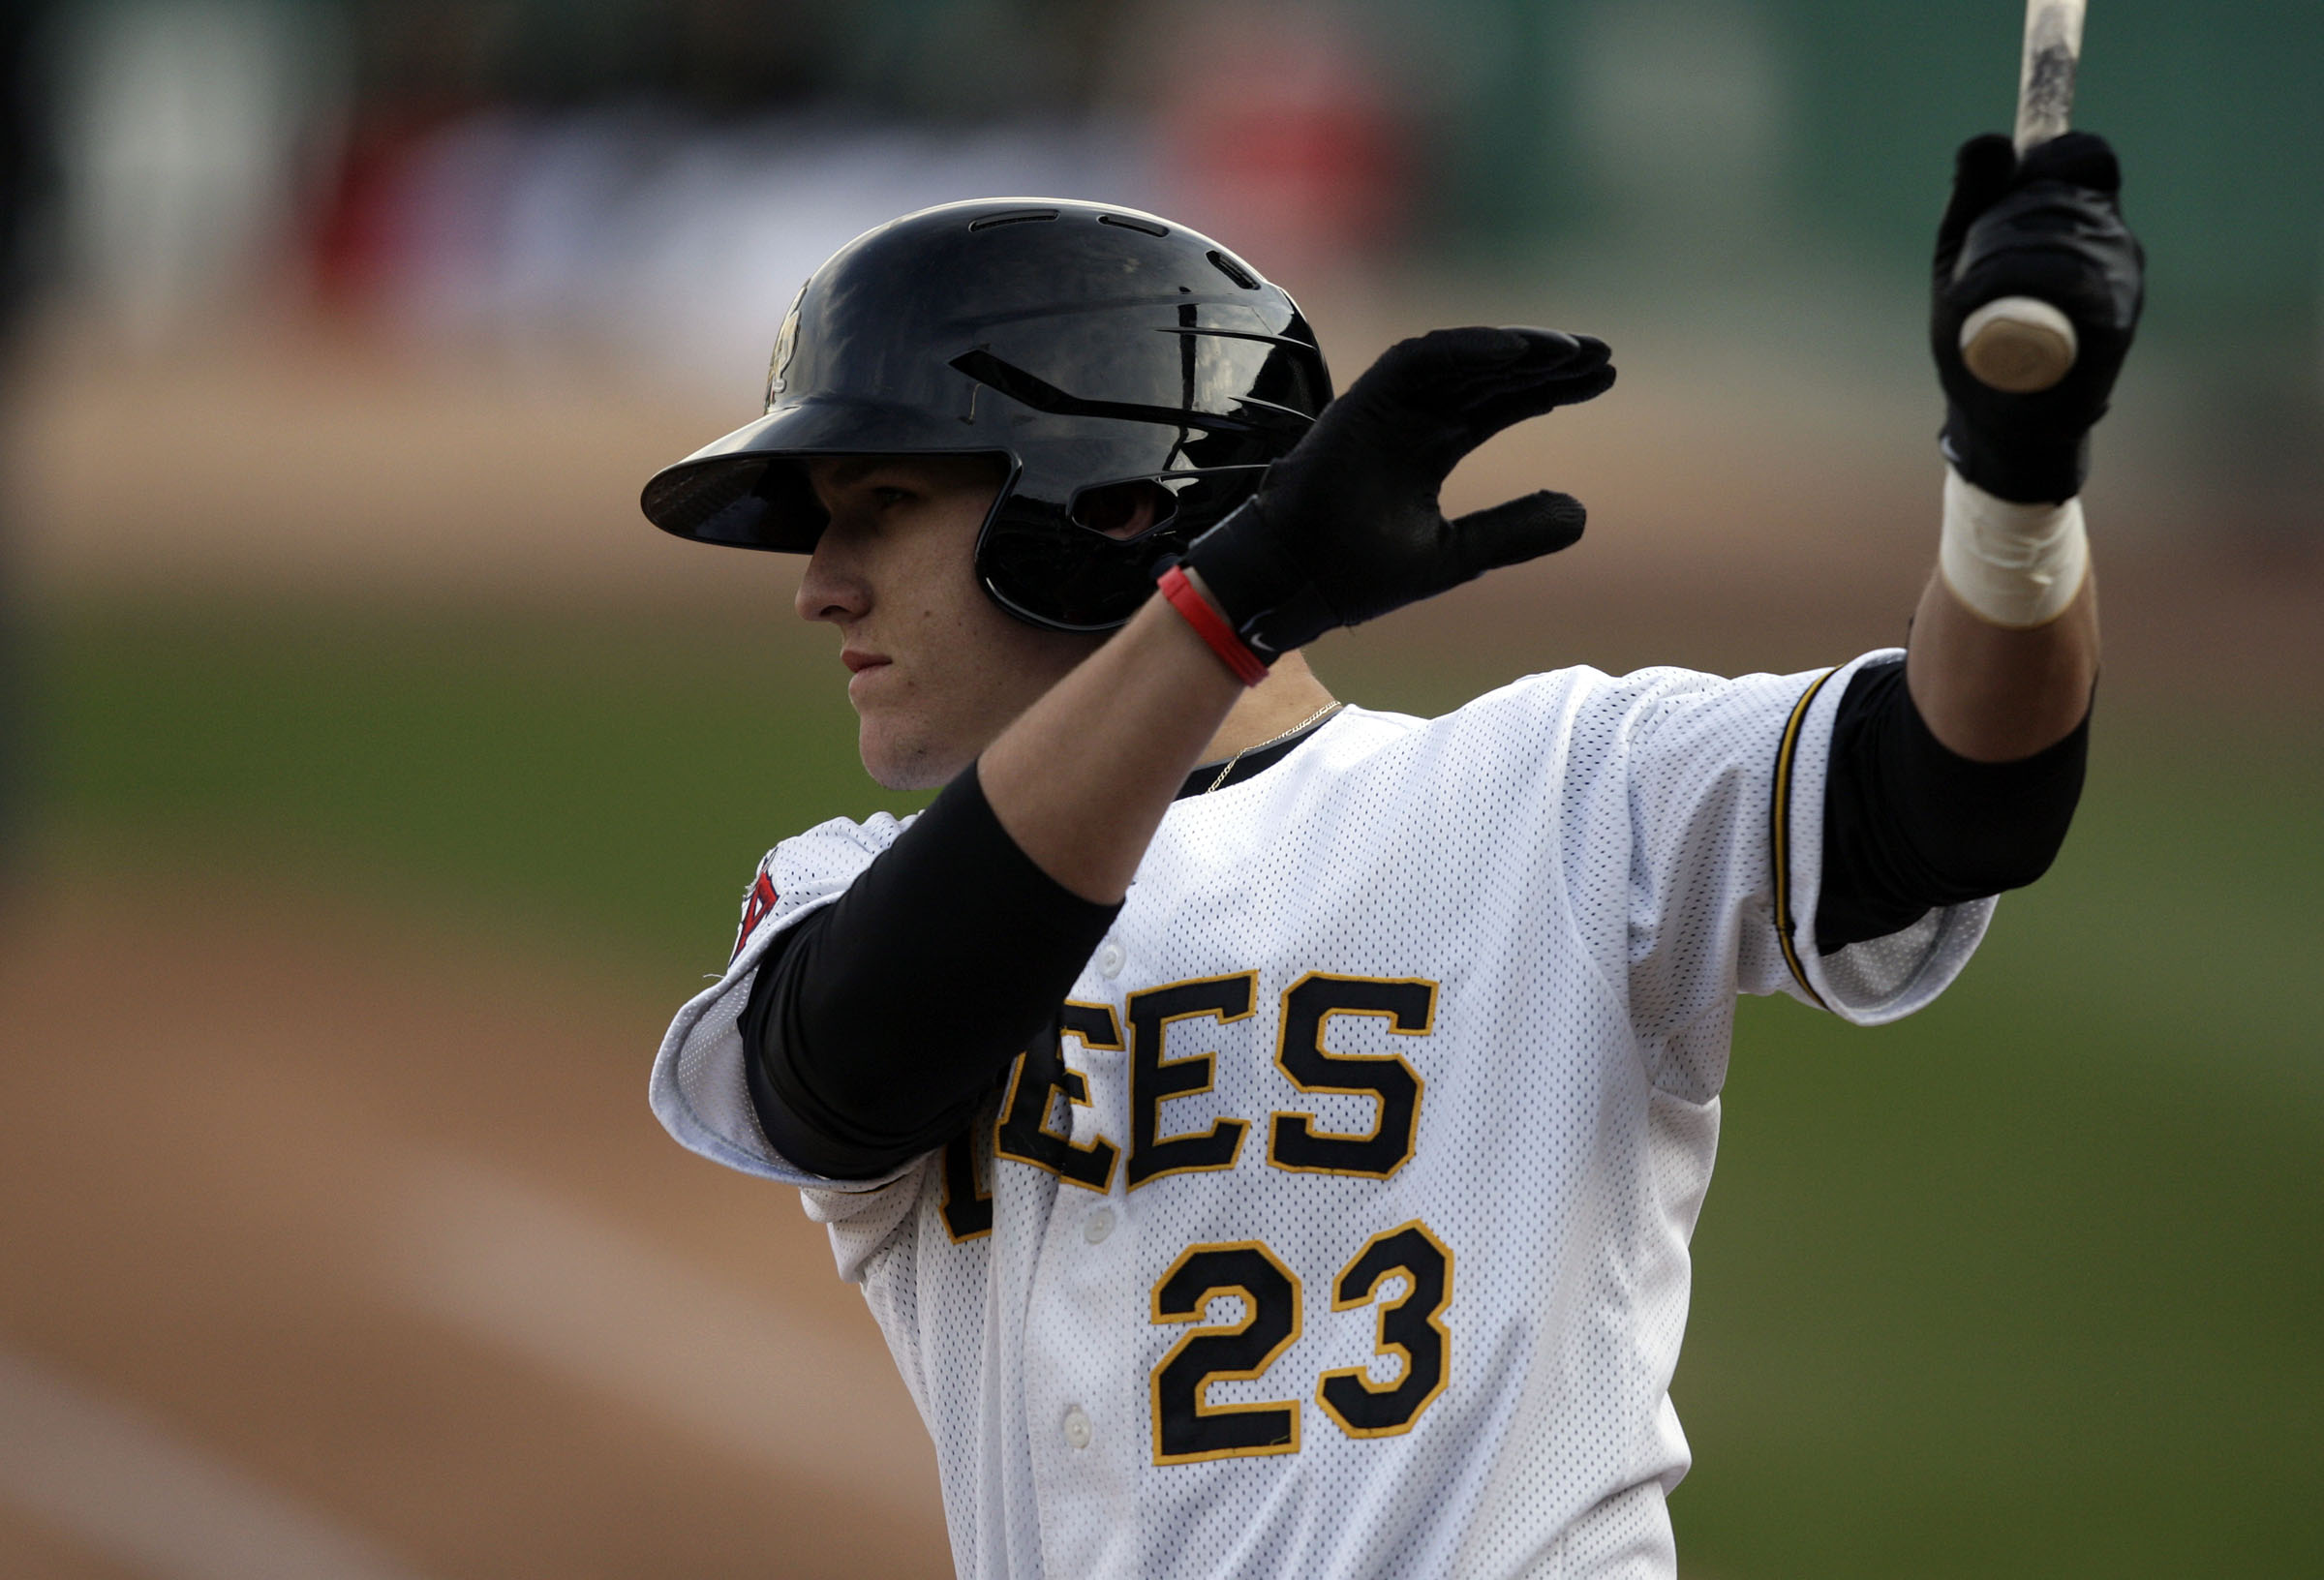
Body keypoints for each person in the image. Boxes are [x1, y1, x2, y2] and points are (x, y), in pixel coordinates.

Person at [641, 134, 2141, 1578]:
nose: (819, 589)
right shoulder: (854, 891)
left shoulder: (1559, 791)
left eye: (880, 511)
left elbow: (1964, 790)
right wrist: (1232, 604)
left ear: (1100, 505)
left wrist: (2012, 484)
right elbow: (846, 1070)